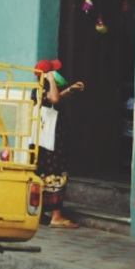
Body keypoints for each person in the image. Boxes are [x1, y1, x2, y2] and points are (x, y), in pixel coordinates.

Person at [34, 58, 85, 228]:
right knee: (54, 174)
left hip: (48, 141)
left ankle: (43, 213)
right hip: (49, 143)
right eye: (54, 72)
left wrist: (70, 89)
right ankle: (56, 215)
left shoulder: (44, 90)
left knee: (46, 174)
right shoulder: (40, 89)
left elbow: (56, 97)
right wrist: (49, 79)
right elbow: (54, 99)